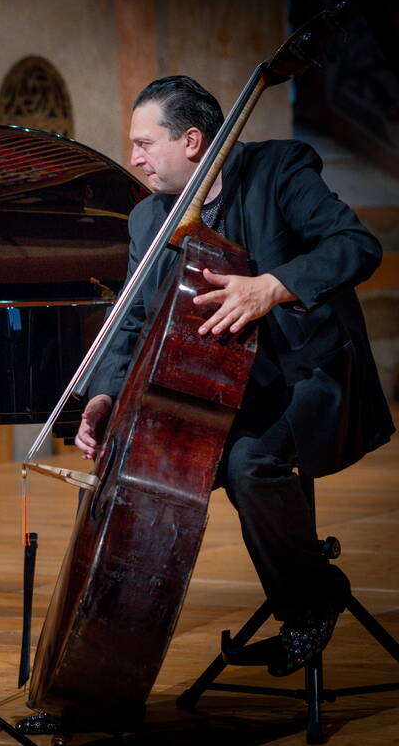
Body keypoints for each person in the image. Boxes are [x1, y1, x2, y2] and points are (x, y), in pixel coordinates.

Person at [77, 76, 394, 675]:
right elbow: (133, 317)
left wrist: (272, 286)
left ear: (192, 141)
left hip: (307, 374)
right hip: (221, 387)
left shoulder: (276, 170)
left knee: (250, 464)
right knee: (194, 464)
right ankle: (298, 585)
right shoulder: (147, 219)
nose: (135, 157)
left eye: (145, 143)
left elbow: (356, 246)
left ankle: (310, 602)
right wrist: (102, 395)